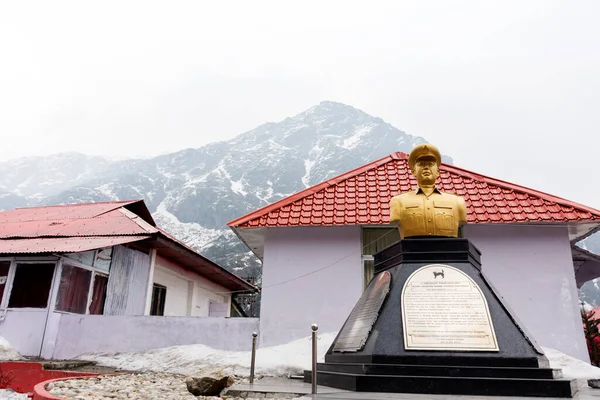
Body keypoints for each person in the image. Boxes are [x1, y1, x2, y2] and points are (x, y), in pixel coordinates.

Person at [389, 143, 467, 238]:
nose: (426, 167)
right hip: (412, 250)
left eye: (430, 164)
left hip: (448, 249)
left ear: (438, 171)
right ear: (414, 172)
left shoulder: (457, 201)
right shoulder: (398, 201)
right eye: (421, 164)